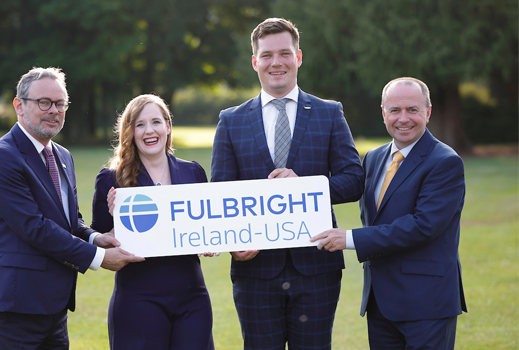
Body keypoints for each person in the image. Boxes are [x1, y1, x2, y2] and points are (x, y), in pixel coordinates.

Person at [211, 18, 365, 349]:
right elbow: (220, 194)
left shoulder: (329, 113)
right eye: (267, 55)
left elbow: (353, 181)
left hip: (316, 267)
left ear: (298, 57)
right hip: (255, 270)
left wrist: (308, 186)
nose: (276, 62)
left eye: (285, 53)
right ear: (255, 62)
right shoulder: (231, 121)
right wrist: (232, 242)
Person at [0, 67, 143, 349]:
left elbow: (69, 219)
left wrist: (95, 237)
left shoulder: (62, 155)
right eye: (44, 102)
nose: (53, 110)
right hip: (12, 309)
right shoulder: (1, 158)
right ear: (19, 106)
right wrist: (99, 256)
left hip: (54, 309)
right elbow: (35, 228)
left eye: (60, 103)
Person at [312, 77, 467, 349]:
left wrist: (349, 239)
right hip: (380, 302)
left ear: (428, 113)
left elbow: (423, 226)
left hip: (426, 304)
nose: (403, 118)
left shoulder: (445, 162)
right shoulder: (373, 158)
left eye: (413, 110)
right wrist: (295, 188)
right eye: (395, 110)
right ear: (383, 113)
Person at [92, 94, 215, 350]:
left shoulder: (193, 172)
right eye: (139, 124)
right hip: (138, 300)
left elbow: (207, 226)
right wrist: (117, 227)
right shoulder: (110, 181)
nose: (149, 130)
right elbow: (101, 244)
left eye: (156, 122)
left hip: (192, 299)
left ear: (168, 126)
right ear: (130, 132)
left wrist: (211, 240)